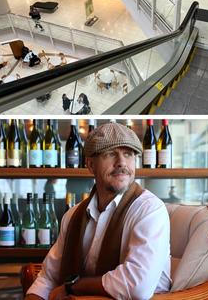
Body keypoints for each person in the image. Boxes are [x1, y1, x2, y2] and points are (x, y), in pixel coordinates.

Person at [25, 122, 171, 300]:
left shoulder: (149, 210)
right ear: (91, 165)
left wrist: (73, 287)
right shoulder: (73, 216)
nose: (122, 163)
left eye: (128, 154)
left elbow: (136, 286)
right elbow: (48, 277)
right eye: (111, 154)